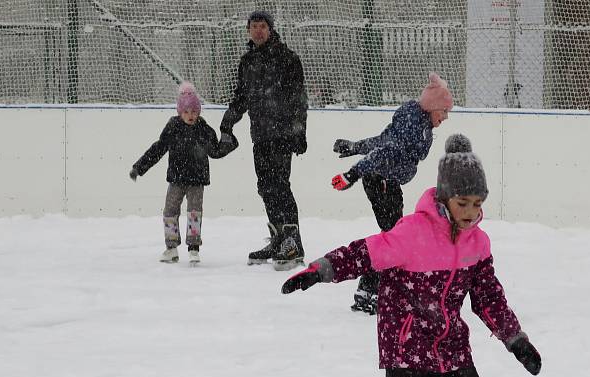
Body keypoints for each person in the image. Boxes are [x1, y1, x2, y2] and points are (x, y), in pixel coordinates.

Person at [282, 134, 543, 377]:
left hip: (449, 342)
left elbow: (488, 296)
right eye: (463, 203)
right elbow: (364, 253)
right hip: (404, 339)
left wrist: (515, 339)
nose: (471, 213)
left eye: (477, 204)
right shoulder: (412, 232)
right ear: (444, 198)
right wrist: (321, 270)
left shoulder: (478, 244)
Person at [330, 72, 454, 315]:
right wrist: (353, 174)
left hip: (389, 181)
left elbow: (381, 140)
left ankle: (371, 289)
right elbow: (385, 151)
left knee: (394, 236)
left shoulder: (418, 122)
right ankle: (372, 290)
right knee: (393, 238)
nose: (446, 117)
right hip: (381, 181)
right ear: (432, 107)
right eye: (444, 111)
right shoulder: (412, 125)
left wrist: (356, 146)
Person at [219, 10, 308, 271]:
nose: (258, 30)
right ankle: (278, 238)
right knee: (266, 188)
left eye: (263, 26)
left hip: (282, 135)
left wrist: (298, 131)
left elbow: (298, 99)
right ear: (248, 31)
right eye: (254, 26)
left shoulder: (287, 58)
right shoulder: (248, 61)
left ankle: (293, 243)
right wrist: (227, 123)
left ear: (271, 29)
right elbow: (241, 97)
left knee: (280, 187)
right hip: (260, 135)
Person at [130, 82, 236, 264]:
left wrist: (228, 141)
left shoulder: (204, 129)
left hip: (197, 180)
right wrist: (139, 167)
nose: (190, 115)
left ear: (199, 112)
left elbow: (215, 151)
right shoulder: (173, 127)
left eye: (194, 111)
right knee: (170, 212)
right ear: (180, 111)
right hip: (176, 179)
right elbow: (158, 148)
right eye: (186, 111)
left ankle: (194, 248)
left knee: (194, 213)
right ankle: (171, 248)